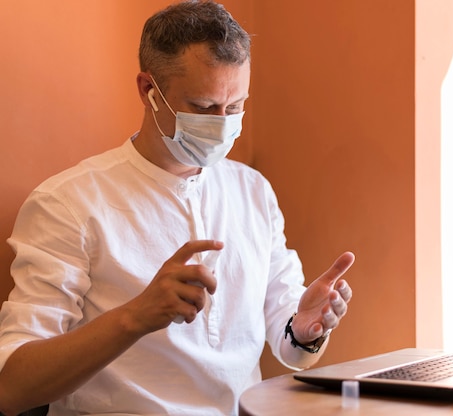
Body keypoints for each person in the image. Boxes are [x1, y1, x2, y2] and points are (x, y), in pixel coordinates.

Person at [0, 1, 355, 415]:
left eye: (236, 106)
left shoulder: (253, 190)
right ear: (149, 91)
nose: (223, 123)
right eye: (204, 108)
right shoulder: (68, 204)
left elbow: (291, 351)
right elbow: (13, 388)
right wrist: (135, 316)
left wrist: (304, 330)